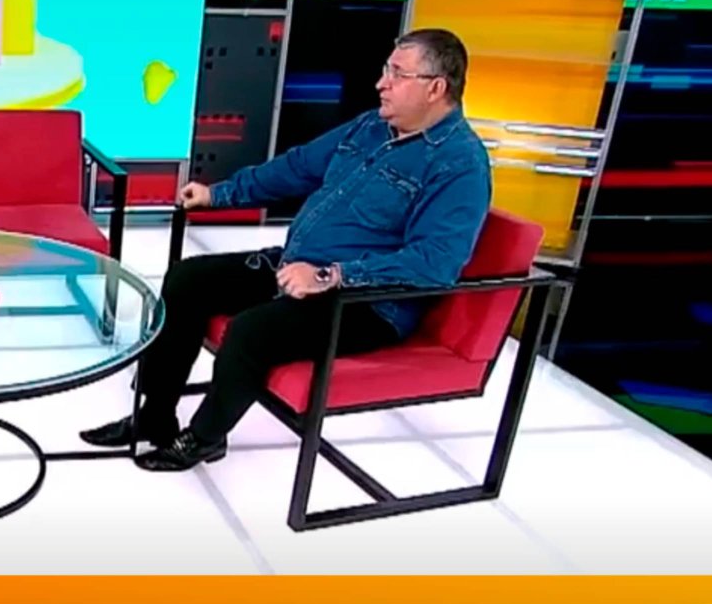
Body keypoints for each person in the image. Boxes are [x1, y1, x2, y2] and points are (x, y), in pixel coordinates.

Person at [82, 28, 493, 471]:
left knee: (251, 331)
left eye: (397, 74)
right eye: (385, 70)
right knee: (188, 279)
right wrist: (219, 194)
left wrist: (330, 276)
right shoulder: (372, 126)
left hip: (368, 303)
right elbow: (298, 167)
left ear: (436, 88)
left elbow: (436, 263)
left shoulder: (461, 165)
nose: (381, 83)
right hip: (299, 265)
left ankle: (204, 439)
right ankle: (154, 417)